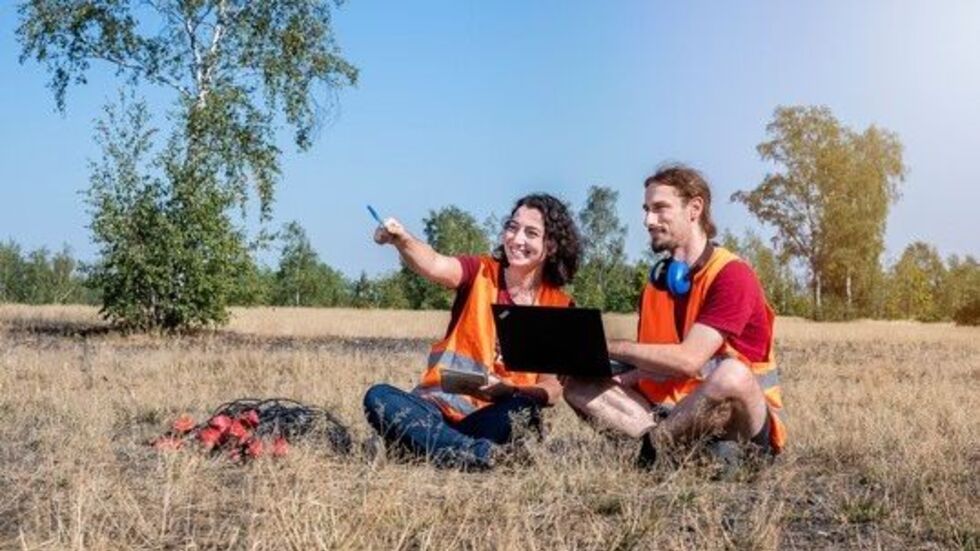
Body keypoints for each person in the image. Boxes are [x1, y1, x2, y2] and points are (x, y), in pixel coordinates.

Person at [563, 164, 786, 467]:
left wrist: (605, 345)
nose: (648, 220)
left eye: (660, 208)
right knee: (578, 386)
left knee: (731, 375)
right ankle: (668, 451)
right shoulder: (654, 288)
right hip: (674, 415)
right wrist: (609, 374)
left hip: (737, 422)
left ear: (695, 208)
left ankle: (652, 451)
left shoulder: (732, 275)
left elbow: (690, 360)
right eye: (646, 209)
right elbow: (657, 369)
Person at [363, 193, 582, 469]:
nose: (516, 239)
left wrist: (510, 390)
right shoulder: (479, 272)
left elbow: (552, 389)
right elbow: (433, 263)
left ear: (550, 245)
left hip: (493, 416)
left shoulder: (559, 306)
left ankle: (416, 448)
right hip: (435, 407)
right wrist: (402, 239)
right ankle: (478, 455)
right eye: (512, 227)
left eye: (531, 233)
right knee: (379, 396)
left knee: (523, 410)